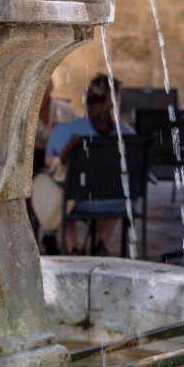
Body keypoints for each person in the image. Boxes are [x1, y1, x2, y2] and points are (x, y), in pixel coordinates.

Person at [41, 74, 134, 256]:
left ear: (87, 99)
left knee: (62, 187)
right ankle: (101, 243)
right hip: (117, 204)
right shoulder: (128, 133)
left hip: (78, 202)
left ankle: (73, 246)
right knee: (114, 184)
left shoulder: (65, 131)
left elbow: (49, 163)